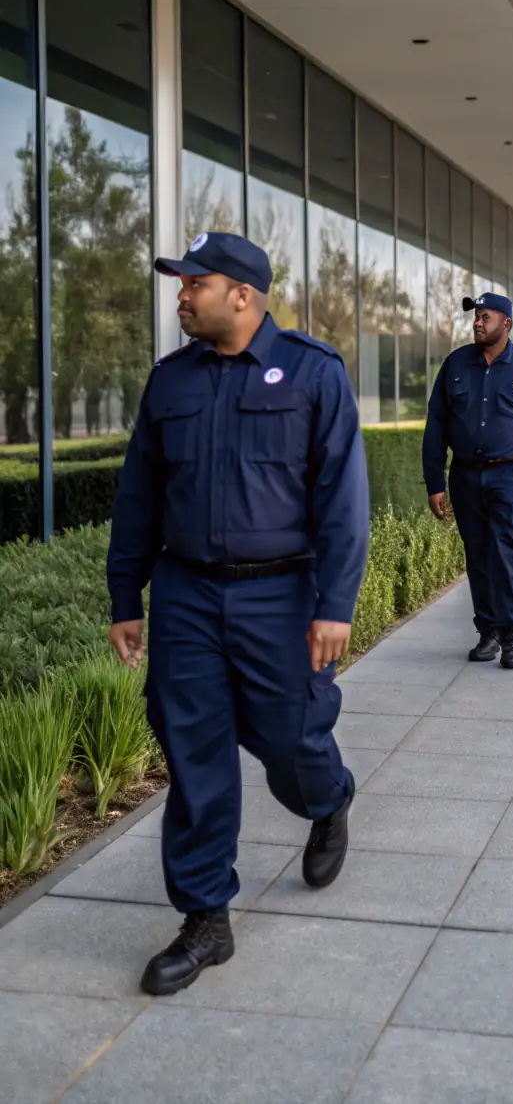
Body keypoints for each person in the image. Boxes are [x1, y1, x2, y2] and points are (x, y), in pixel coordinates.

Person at [107, 231, 369, 996]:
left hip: (281, 595)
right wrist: (127, 596)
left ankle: (328, 799)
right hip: (186, 591)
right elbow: (139, 496)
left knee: (292, 737)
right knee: (194, 754)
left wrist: (335, 604)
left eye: (195, 283)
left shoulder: (316, 375)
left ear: (244, 295)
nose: (182, 296)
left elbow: (342, 501)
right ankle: (205, 919)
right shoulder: (172, 382)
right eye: (180, 284)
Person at [423, 292, 513, 670]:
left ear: (507, 324)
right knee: (478, 557)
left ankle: (512, 632)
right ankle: (488, 632)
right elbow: (435, 426)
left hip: (511, 476)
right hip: (465, 476)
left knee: (507, 553)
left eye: (486, 316)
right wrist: (434, 481)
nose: (478, 322)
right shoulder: (455, 365)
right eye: (476, 316)